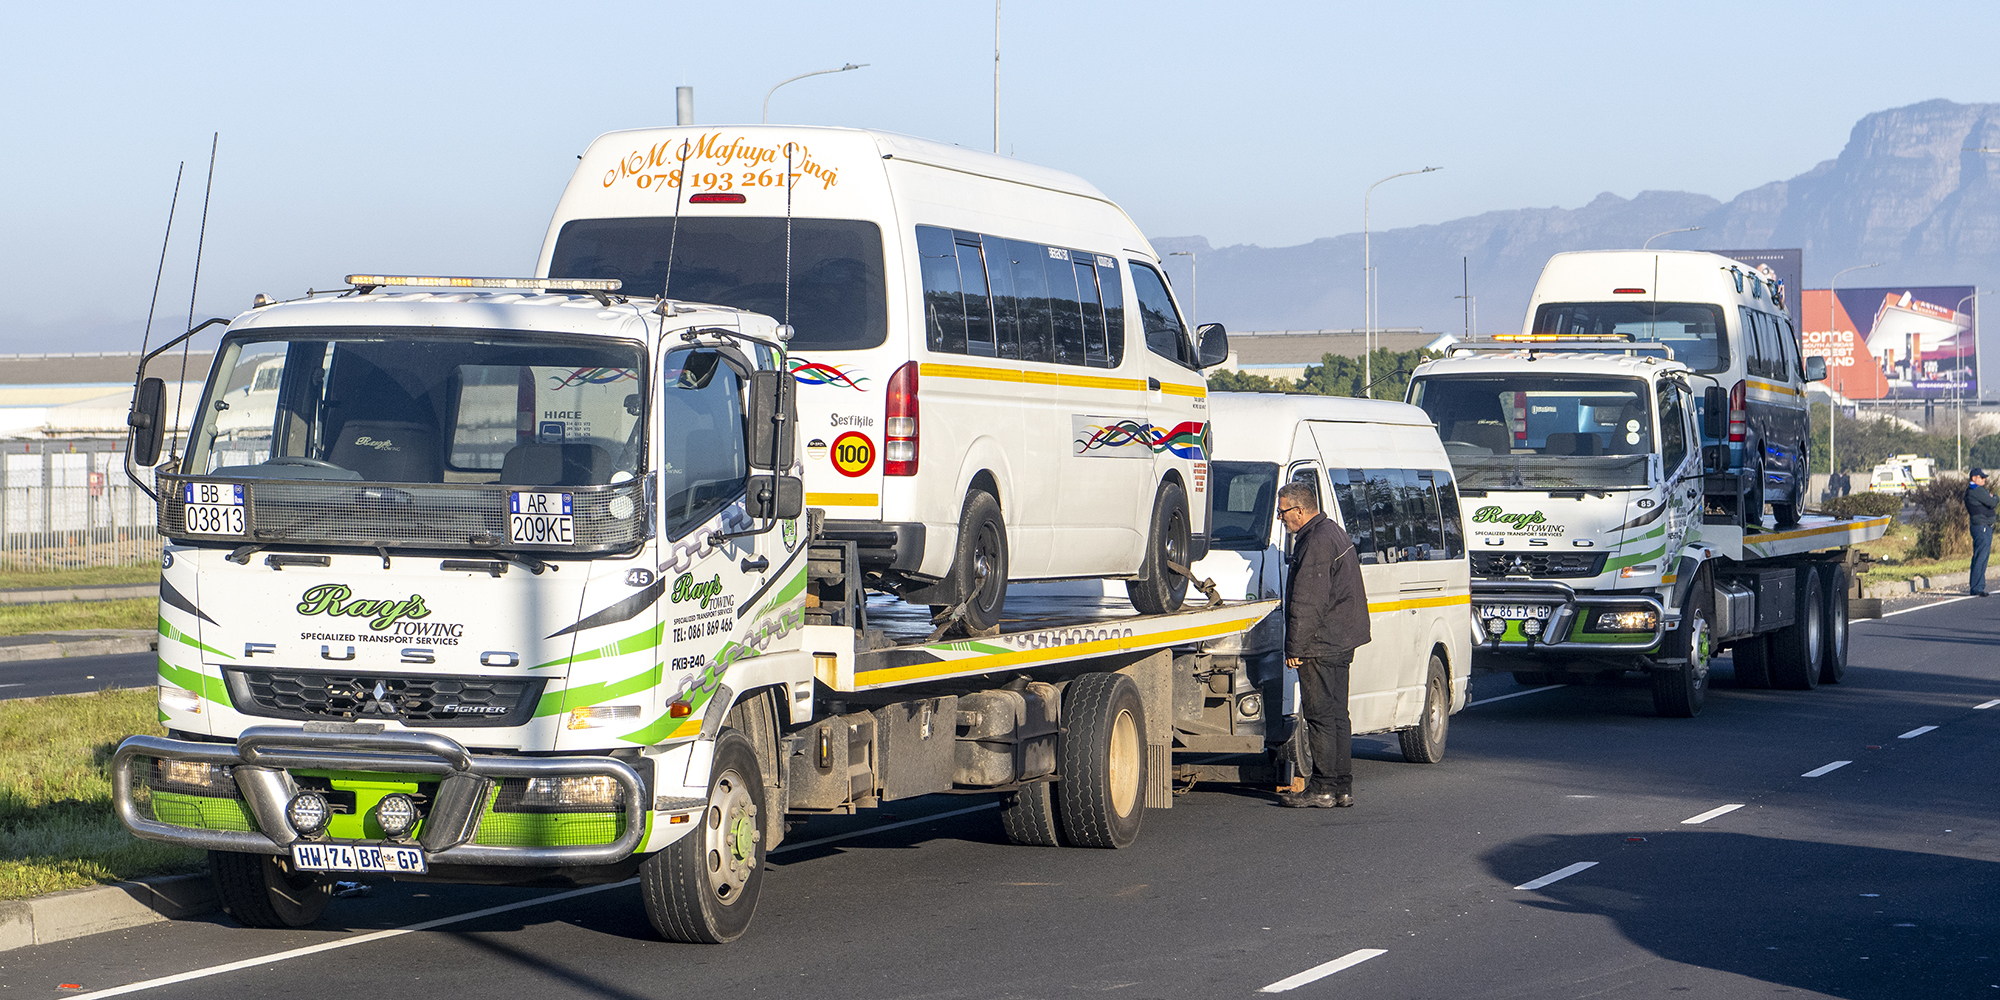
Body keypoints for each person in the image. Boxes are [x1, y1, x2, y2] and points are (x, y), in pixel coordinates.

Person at [1275, 481, 1372, 808]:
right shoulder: (1332, 532)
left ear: (1300, 511)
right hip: (1340, 638)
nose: (1281, 518)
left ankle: (1323, 788)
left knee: (1319, 716)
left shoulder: (1315, 542)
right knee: (1337, 715)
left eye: (1283, 511)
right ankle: (1342, 788)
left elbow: (1307, 601)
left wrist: (1295, 648)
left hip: (1322, 641)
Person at [1967, 469, 1996, 597]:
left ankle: (1979, 585)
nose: (1984, 480)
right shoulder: (1975, 490)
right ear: (1974, 478)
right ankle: (1977, 587)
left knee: (1983, 557)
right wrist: (1995, 497)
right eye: (1981, 477)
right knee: (1980, 556)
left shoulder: (1979, 490)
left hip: (1985, 526)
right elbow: (1992, 502)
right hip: (1981, 527)